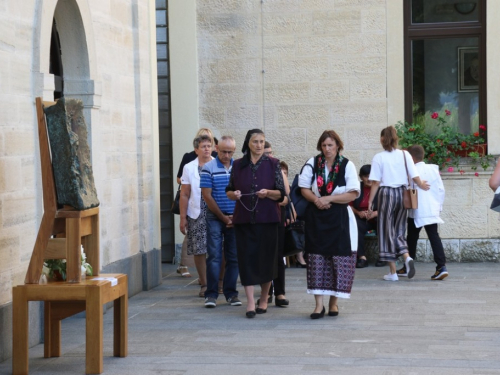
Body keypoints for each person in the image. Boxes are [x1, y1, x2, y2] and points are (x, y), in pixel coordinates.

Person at [299, 130, 360, 319]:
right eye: (324, 146)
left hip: (339, 217)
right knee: (317, 260)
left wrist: (329, 198)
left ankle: (334, 302)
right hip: (317, 217)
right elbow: (303, 188)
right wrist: (318, 200)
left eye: (330, 145)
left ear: (338, 146)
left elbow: (353, 193)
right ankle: (319, 305)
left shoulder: (347, 165)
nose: (327, 149)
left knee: (339, 259)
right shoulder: (313, 163)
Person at [226, 129, 286, 318]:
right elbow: (229, 190)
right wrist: (233, 195)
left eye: (262, 142)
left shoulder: (274, 164)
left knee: (266, 261)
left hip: (268, 219)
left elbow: (282, 194)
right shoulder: (237, 165)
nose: (259, 145)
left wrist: (268, 193)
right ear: (248, 144)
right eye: (255, 142)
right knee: (247, 260)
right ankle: (251, 301)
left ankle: (264, 297)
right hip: (244, 220)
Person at [367, 126, 429, 281]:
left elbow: (375, 182)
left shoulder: (379, 157)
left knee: (386, 231)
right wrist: (421, 184)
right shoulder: (405, 154)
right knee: (399, 230)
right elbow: (414, 175)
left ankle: (393, 272)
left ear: (382, 139)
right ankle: (407, 257)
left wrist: (370, 202)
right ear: (396, 138)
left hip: (386, 194)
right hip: (402, 194)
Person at [200, 136, 241, 308]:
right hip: (215, 217)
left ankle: (231, 293)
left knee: (234, 257)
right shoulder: (208, 167)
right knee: (214, 256)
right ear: (217, 149)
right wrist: (223, 218)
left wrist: (235, 216)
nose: (226, 155)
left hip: (235, 216)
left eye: (230, 152)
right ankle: (211, 294)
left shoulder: (238, 168)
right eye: (223, 151)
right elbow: (207, 196)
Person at [401, 145, 448, 280]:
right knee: (434, 237)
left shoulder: (411, 170)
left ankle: (407, 266)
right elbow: (441, 189)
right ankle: (441, 266)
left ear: (411, 158)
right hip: (431, 209)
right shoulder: (433, 169)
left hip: (416, 210)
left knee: (411, 238)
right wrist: (438, 207)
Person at [175, 128, 217, 278]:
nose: (207, 149)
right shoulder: (189, 167)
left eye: (209, 146)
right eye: (203, 146)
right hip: (197, 212)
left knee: (218, 247)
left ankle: (218, 281)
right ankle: (204, 281)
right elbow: (184, 194)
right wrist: (182, 218)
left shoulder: (218, 164)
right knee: (199, 249)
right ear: (196, 149)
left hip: (216, 211)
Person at [350, 165, 380, 268]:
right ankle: (362, 257)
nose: (369, 179)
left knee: (384, 225)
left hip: (377, 217)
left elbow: (388, 206)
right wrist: (358, 213)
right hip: (362, 217)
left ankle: (383, 256)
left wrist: (375, 213)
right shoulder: (356, 188)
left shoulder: (380, 188)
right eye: (366, 176)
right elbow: (349, 205)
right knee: (355, 226)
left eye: (372, 176)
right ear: (361, 177)